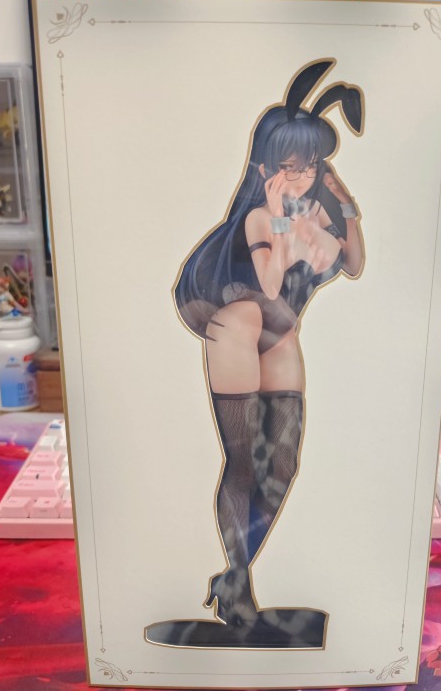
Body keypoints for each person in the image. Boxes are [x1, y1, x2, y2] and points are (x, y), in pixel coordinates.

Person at [146, 59, 365, 650]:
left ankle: (233, 578)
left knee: (284, 463)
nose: (301, 176)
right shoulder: (258, 216)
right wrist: (284, 228)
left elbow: (354, 263)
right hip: (237, 327)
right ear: (266, 168)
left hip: (280, 336)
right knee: (244, 460)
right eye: (289, 166)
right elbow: (268, 285)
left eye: (309, 165)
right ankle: (237, 590)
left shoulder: (317, 211)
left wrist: (345, 204)